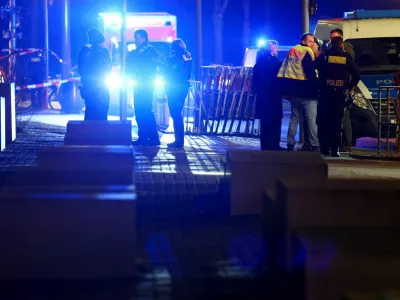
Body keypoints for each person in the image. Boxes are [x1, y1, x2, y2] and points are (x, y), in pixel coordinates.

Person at [316, 36, 360, 157]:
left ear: (331, 44)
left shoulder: (324, 56)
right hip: (339, 96)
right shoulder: (346, 57)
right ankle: (335, 150)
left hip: (325, 95)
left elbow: (314, 67)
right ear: (341, 45)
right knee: (336, 123)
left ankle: (324, 148)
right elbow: (356, 74)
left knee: (324, 122)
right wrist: (349, 87)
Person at [278, 33, 320, 152]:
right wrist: (317, 87)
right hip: (307, 92)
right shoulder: (307, 51)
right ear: (304, 40)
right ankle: (315, 145)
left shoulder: (293, 50)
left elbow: (285, 69)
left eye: (313, 41)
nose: (312, 43)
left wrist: (285, 89)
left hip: (294, 91)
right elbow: (309, 72)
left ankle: (290, 144)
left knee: (294, 118)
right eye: (310, 41)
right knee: (311, 120)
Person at [126, 29, 160, 146]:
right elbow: (129, 66)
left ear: (144, 38)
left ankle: (153, 138)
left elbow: (150, 67)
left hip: (146, 84)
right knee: (139, 111)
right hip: (138, 84)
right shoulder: (134, 52)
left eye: (138, 37)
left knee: (146, 110)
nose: (135, 40)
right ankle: (143, 137)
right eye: (135, 37)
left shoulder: (151, 51)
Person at [252, 40, 283, 150]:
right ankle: (274, 145)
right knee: (275, 121)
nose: (277, 50)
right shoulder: (275, 63)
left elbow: (255, 81)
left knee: (265, 122)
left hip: (263, 96)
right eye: (276, 48)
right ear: (271, 49)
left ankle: (265, 145)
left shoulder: (259, 62)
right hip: (273, 95)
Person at [163, 39, 192, 148]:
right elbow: (188, 73)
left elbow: (168, 73)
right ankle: (179, 140)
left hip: (174, 88)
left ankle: (178, 141)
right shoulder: (187, 57)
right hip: (183, 87)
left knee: (175, 114)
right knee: (177, 114)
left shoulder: (173, 59)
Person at [78, 27, 112, 120]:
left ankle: (90, 132)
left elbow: (81, 69)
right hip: (98, 85)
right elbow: (108, 67)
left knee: (92, 109)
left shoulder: (85, 49)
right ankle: (100, 131)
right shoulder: (100, 50)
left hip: (91, 85)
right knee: (101, 109)